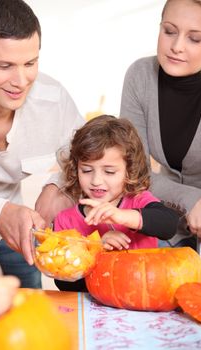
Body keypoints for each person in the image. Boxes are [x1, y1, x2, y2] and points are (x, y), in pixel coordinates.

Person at [0, 0, 84, 288]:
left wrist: (59, 185)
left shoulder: (52, 99)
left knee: (30, 322)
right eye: (4, 66)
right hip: (1, 220)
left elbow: (90, 154)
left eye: (30, 63)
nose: (21, 80)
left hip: (2, 241)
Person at [120, 0, 201, 280]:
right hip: (168, 222)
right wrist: (191, 199)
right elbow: (134, 173)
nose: (177, 46)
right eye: (169, 31)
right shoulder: (140, 76)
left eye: (194, 38)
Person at [53, 115, 179, 291]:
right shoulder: (65, 221)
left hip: (143, 297)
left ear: (129, 171)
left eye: (109, 172)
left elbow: (169, 224)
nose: (96, 180)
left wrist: (122, 217)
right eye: (87, 170)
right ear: (76, 169)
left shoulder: (138, 200)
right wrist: (95, 251)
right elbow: (64, 283)